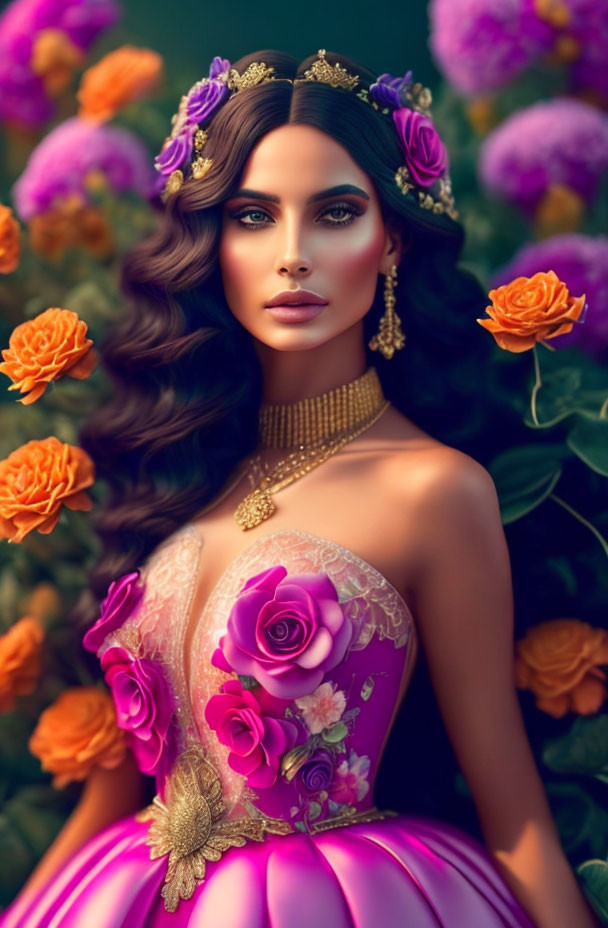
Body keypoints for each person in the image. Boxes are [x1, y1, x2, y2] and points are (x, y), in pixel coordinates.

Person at [2, 49, 601, 928]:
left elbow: (514, 818)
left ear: (389, 238)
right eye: (252, 216)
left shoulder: (435, 491)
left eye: (335, 214)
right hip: (116, 890)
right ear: (212, 240)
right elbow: (110, 801)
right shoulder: (184, 468)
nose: (292, 257)